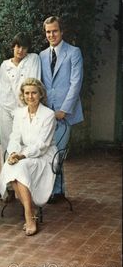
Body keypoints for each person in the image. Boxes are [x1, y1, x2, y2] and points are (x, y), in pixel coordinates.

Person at [0, 78, 57, 236]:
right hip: (23, 154)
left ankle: (28, 215)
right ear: (22, 96)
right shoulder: (19, 113)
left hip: (44, 156)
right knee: (12, 166)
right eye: (27, 93)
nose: (30, 96)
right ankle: (30, 210)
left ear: (41, 94)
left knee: (19, 167)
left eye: (34, 93)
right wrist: (12, 153)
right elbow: (15, 137)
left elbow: (42, 144)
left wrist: (22, 155)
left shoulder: (48, 114)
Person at [39, 16, 84, 203]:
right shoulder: (41, 55)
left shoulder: (73, 52)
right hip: (46, 113)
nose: (51, 35)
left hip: (64, 114)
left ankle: (56, 190)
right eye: (48, 32)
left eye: (55, 31)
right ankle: (55, 190)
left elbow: (76, 83)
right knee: (48, 151)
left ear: (61, 31)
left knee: (58, 153)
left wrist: (64, 110)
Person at [0, 32, 41, 165]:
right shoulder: (5, 65)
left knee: (26, 142)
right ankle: (7, 177)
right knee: (7, 142)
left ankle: (23, 177)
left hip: (27, 108)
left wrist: (24, 109)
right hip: (7, 109)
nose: (20, 50)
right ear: (13, 47)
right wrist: (13, 111)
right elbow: (5, 91)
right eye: (17, 47)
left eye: (24, 47)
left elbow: (34, 82)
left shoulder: (33, 59)